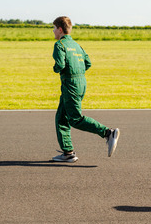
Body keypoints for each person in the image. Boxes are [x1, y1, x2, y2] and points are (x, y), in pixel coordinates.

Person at [50, 16, 119, 162]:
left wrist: (56, 68)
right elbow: (88, 63)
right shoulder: (76, 45)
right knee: (61, 118)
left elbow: (60, 66)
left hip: (70, 84)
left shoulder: (60, 45)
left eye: (54, 28)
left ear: (60, 29)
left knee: (75, 119)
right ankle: (68, 153)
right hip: (81, 82)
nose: (54, 31)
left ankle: (107, 133)